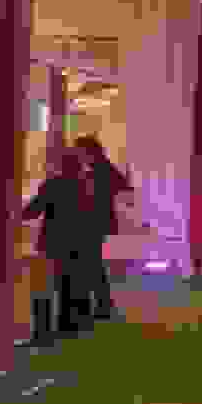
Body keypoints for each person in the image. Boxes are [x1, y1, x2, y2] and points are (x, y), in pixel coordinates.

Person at [21, 152, 107, 344]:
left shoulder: (52, 185)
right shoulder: (88, 187)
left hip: (53, 244)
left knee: (44, 289)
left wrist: (13, 212)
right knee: (74, 287)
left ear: (61, 166)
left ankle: (43, 334)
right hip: (81, 244)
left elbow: (32, 211)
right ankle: (72, 328)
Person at [71, 136, 133, 320]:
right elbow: (122, 185)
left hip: (93, 222)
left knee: (91, 264)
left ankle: (103, 305)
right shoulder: (97, 168)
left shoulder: (100, 168)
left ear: (88, 151)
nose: (77, 155)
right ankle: (102, 304)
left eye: (79, 151)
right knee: (92, 263)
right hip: (95, 222)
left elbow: (122, 186)